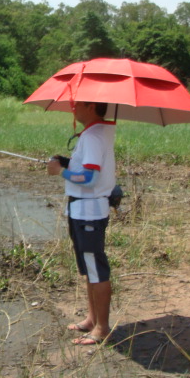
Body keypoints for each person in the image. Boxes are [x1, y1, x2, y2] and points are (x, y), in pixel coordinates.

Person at [47, 101, 116, 346]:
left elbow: (90, 177)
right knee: (88, 268)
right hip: (81, 209)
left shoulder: (94, 136)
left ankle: (102, 328)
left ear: (90, 106)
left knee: (96, 269)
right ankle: (92, 319)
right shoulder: (94, 132)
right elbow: (85, 167)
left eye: (77, 104)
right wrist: (67, 162)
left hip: (89, 212)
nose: (73, 108)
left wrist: (60, 172)